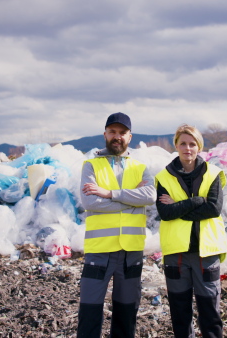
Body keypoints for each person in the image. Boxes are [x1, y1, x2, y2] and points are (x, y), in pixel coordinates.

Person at [77, 112, 157, 337]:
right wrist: (132, 202)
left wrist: (110, 193)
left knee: (126, 314)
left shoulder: (140, 167)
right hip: (99, 250)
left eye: (122, 133)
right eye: (112, 132)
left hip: (130, 251)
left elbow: (150, 196)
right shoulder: (91, 166)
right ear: (105, 134)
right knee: (89, 313)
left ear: (130, 137)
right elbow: (91, 202)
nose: (117, 137)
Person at [155, 124, 227, 338]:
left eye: (192, 144)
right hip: (176, 254)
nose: (188, 148)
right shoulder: (164, 177)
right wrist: (196, 201)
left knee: (210, 312)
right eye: (183, 143)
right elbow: (165, 213)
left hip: (207, 251)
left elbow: (213, 208)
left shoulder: (212, 174)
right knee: (180, 313)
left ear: (199, 147)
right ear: (176, 145)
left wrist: (179, 205)